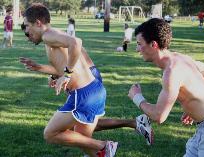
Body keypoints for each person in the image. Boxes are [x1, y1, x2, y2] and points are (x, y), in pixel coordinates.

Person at [19, 3, 153, 157]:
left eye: (27, 26)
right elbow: (61, 66)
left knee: (50, 133)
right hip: (90, 90)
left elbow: (76, 43)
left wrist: (67, 74)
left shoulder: (47, 35)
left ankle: (104, 145)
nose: (26, 31)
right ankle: (106, 147)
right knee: (85, 145)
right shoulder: (51, 36)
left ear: (38, 23)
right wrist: (42, 69)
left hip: (82, 94)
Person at [128, 18, 204, 156]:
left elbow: (159, 116)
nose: (137, 49)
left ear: (153, 44)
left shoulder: (171, 72)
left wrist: (137, 97)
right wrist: (195, 104)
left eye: (139, 44)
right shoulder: (179, 58)